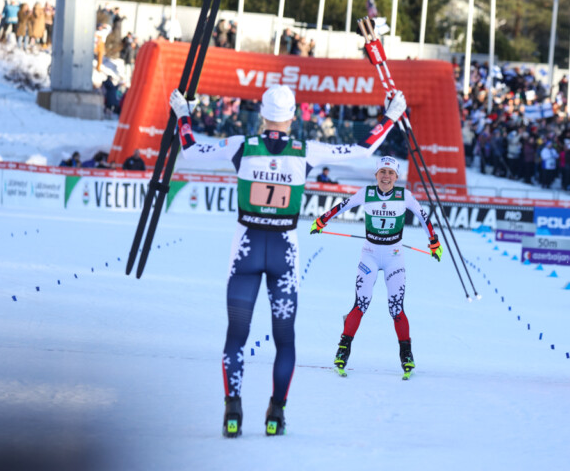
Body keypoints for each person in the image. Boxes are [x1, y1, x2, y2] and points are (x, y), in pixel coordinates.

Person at [168, 84, 407, 437]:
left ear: (263, 115)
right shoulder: (306, 150)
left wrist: (182, 114)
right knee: (285, 340)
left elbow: (189, 150)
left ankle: (233, 408)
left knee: (236, 336)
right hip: (285, 254)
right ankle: (276, 413)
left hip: (247, 250)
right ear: (293, 117)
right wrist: (391, 115)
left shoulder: (241, 145)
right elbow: (363, 148)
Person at [309, 156, 443, 379]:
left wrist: (434, 241)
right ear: (376, 175)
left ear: (396, 177)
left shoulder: (404, 196)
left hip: (394, 257)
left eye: (390, 173)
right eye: (382, 172)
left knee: (396, 307)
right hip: (370, 256)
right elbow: (343, 206)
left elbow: (423, 216)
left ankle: (406, 354)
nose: (386, 176)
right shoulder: (367, 193)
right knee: (361, 304)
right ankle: (343, 350)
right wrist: (322, 220)